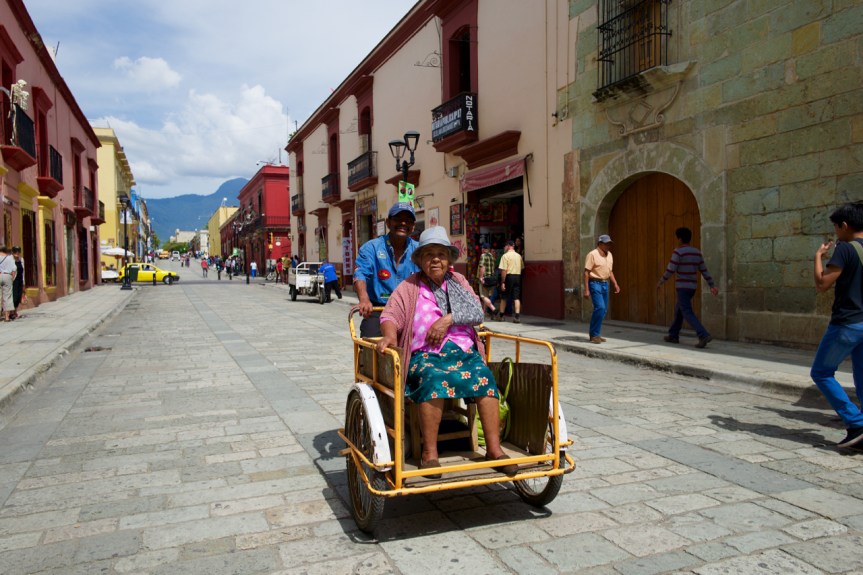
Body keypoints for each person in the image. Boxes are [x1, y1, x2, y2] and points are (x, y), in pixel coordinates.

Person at [375, 226, 518, 477]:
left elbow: (476, 312)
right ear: (420, 260)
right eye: (429, 254)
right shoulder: (410, 286)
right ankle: (429, 453)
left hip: (462, 351)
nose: (436, 259)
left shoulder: (459, 282)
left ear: (449, 259)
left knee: (484, 378)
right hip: (426, 355)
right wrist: (389, 335)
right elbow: (390, 314)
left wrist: (447, 319)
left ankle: (494, 450)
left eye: (441, 254)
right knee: (432, 378)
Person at [811, 202, 863, 448]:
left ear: (844, 225)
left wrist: (818, 258)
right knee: (861, 375)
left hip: (847, 322)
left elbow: (823, 284)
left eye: (836, 227)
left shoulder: (845, 249)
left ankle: (855, 423)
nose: (835, 232)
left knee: (821, 372)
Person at [353, 202, 420, 337]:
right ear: (388, 223)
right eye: (397, 219)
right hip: (379, 309)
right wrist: (364, 299)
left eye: (408, 221)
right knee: (370, 344)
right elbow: (360, 273)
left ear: (413, 227)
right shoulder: (371, 247)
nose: (403, 223)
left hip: (411, 310)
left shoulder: (419, 250)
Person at [656, 227, 719, 348]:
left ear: (679, 239)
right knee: (679, 310)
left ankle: (703, 334)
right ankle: (673, 335)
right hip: (692, 288)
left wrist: (661, 281)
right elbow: (704, 270)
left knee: (686, 311)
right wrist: (712, 285)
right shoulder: (696, 252)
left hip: (682, 287)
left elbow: (671, 269)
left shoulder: (678, 252)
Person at [583, 234, 620, 343]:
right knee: (599, 307)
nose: (608, 246)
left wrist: (615, 284)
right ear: (600, 244)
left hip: (605, 284)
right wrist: (586, 289)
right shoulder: (592, 254)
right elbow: (586, 273)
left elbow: (610, 271)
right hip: (595, 283)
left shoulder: (610, 255)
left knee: (603, 310)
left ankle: (596, 334)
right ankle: (594, 335)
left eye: (609, 244)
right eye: (606, 243)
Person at [496, 239, 524, 323]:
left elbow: (504, 270)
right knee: (516, 297)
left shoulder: (505, 256)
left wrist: (503, 282)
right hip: (518, 276)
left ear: (508, 246)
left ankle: (501, 316)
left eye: (505, 246)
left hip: (509, 277)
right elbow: (522, 267)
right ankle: (517, 317)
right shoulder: (518, 256)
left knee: (504, 297)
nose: (504, 247)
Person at [476, 243, 498, 317]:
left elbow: (482, 267)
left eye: (482, 248)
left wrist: (481, 277)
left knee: (483, 296)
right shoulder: (491, 256)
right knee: (487, 296)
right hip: (491, 279)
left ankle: (493, 308)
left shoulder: (483, 255)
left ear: (483, 249)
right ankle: (484, 312)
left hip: (485, 278)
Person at [0, 246, 17, 322]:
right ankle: (6, 317)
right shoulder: (10, 258)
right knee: (7, 295)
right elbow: (14, 269)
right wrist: (12, 278)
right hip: (7, 275)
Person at [11, 246, 24, 319]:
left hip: (20, 280)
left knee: (19, 296)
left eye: (18, 251)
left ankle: (15, 311)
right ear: (12, 252)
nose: (17, 253)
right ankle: (12, 312)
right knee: (14, 296)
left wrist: (23, 282)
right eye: (15, 251)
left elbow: (23, 271)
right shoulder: (11, 260)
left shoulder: (21, 260)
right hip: (14, 280)